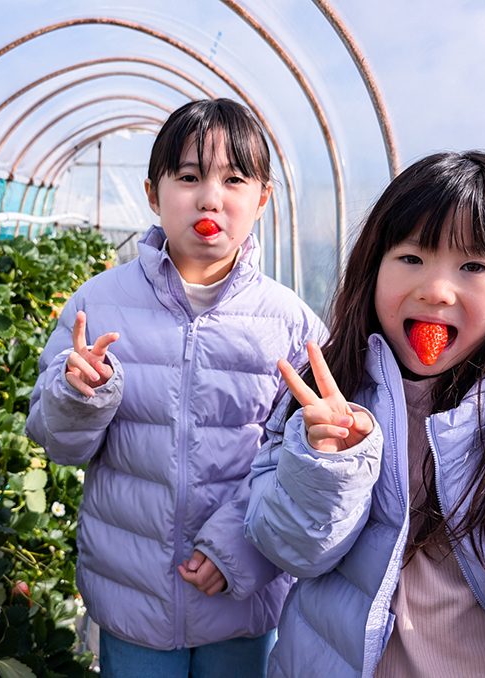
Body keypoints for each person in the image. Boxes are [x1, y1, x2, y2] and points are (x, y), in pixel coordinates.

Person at [244, 151, 485, 678]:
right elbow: (290, 552)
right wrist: (326, 471)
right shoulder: (325, 406)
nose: (436, 290)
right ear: (373, 268)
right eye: (411, 257)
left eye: (474, 267)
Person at [25, 98, 326, 677]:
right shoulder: (99, 303)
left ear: (261, 199)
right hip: (132, 594)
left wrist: (240, 553)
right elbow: (58, 444)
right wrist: (77, 395)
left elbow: (302, 465)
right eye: (188, 178)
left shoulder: (291, 324)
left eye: (233, 180)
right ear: (153, 194)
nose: (210, 198)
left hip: (242, 595)